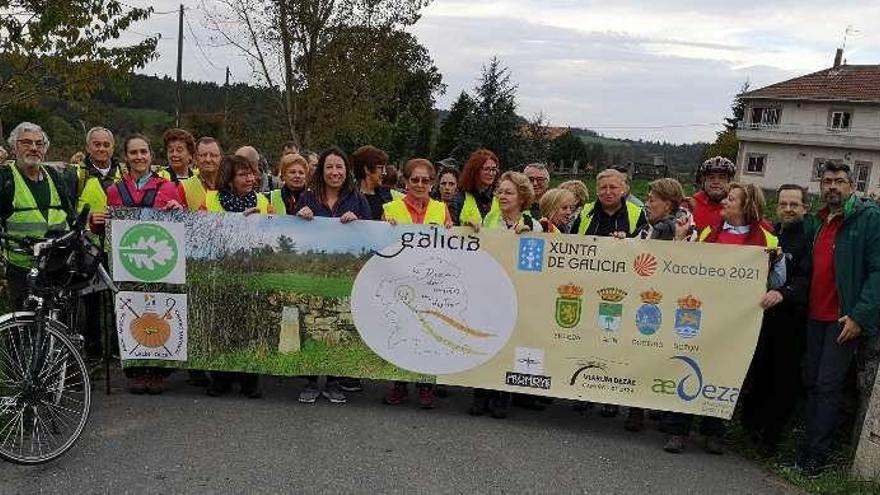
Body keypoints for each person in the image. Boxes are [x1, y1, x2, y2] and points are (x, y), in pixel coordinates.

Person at [664, 182, 783, 455]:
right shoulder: (708, 232)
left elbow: (778, 280)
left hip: (737, 322)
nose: (725, 203)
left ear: (746, 206)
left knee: (726, 371)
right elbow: (685, 266)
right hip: (701, 314)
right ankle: (678, 430)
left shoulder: (768, 239)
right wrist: (681, 240)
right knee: (687, 364)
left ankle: (713, 431)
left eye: (731, 199)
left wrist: (775, 289)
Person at [796, 162, 880, 476]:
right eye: (827, 181)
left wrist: (859, 316)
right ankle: (803, 449)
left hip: (842, 319)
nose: (833, 186)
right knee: (812, 383)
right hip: (814, 316)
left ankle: (816, 456)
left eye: (840, 181)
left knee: (829, 386)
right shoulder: (817, 221)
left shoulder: (868, 218)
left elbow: (878, 271)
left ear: (851, 186)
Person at [107, 134, 184, 395]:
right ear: (126, 156)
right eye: (133, 152)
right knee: (132, 312)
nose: (139, 157)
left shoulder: (168, 188)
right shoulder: (115, 191)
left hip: (162, 264)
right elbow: (108, 230)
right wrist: (98, 221)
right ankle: (136, 370)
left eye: (143, 152)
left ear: (151, 155)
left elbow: (184, 224)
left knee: (161, 311)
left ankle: (159, 371)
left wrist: (178, 209)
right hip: (128, 264)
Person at [295, 147, 371, 404]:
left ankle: (334, 379)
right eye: (329, 167)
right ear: (321, 171)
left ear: (346, 171)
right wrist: (299, 217)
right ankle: (309, 379)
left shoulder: (357, 199)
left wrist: (358, 220)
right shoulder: (307, 197)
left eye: (339, 167)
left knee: (338, 323)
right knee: (311, 320)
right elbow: (295, 235)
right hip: (313, 271)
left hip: (344, 275)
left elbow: (371, 233)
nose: (334, 172)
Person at [741, 184, 811, 457]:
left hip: (792, 321)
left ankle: (770, 440)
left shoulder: (809, 239)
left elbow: (807, 279)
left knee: (784, 381)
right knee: (760, 373)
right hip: (763, 319)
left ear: (805, 208)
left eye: (794, 204)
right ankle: (749, 430)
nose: (788, 209)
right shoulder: (771, 235)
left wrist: (784, 293)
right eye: (784, 204)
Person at [468, 171, 542, 419]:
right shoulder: (489, 221)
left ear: (522, 197)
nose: (501, 196)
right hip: (489, 292)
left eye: (508, 192)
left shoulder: (535, 225)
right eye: (499, 191)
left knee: (509, 344)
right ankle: (481, 393)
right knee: (484, 341)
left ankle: (502, 395)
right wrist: (471, 229)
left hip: (518, 294)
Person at [382, 158, 453, 409]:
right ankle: (399, 384)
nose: (420, 184)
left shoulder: (441, 209)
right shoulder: (390, 208)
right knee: (401, 329)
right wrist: (384, 228)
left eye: (425, 180)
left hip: (430, 281)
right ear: (406, 181)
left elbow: (451, 243)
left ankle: (425, 386)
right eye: (415, 179)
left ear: (432, 183)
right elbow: (382, 244)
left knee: (428, 333)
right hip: (400, 279)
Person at [201, 155, 272, 399]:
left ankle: (249, 380)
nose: (250, 178)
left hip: (252, 274)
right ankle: (220, 378)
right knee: (221, 326)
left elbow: (272, 237)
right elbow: (201, 233)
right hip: (221, 273)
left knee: (250, 326)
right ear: (229, 179)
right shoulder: (210, 200)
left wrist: (259, 224)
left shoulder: (263, 201)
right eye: (243, 174)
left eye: (252, 173)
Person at [1, 122, 73, 310]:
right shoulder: (5, 178)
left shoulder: (54, 176)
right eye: (26, 142)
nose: (33, 148)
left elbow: (69, 214)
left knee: (62, 324)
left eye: (39, 144)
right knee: (27, 328)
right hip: (22, 269)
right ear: (14, 147)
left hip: (57, 266)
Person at [71, 126, 125, 232]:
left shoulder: (125, 174)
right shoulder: (76, 174)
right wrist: (88, 218)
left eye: (106, 145)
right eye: (97, 145)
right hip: (86, 242)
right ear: (87, 147)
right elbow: (66, 213)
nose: (102, 149)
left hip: (119, 239)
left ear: (113, 148)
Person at [572, 168, 646, 238]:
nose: (608, 192)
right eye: (603, 187)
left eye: (613, 187)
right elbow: (571, 240)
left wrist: (626, 240)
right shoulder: (584, 212)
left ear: (623, 190)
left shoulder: (637, 213)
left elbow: (644, 244)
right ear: (597, 191)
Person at [450, 149, 500, 227]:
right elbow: (451, 228)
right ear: (475, 171)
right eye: (486, 169)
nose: (491, 173)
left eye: (493, 169)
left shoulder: (499, 198)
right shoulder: (459, 198)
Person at [688, 156, 735, 232]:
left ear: (729, 181)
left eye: (721, 178)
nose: (716, 182)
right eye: (711, 177)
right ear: (704, 181)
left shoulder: (738, 207)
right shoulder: (691, 203)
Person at [352, 145, 395, 221]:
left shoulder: (389, 196)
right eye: (380, 168)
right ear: (367, 170)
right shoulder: (348, 197)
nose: (384, 173)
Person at [179, 137, 222, 211]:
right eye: (203, 155)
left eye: (213, 155)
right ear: (195, 159)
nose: (208, 159)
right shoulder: (184, 187)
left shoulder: (232, 184)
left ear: (221, 158)